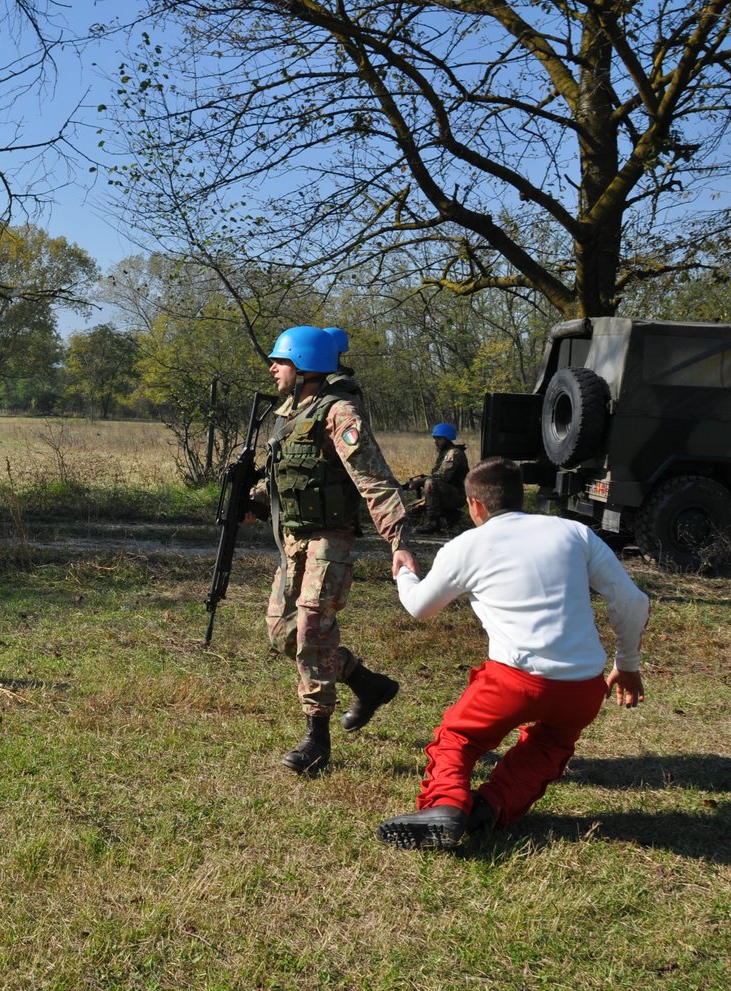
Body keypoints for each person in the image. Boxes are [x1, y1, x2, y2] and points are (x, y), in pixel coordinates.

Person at [378, 457, 650, 849]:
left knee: (458, 737)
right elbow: (632, 601)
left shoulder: (467, 545)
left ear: (475, 505)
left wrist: (405, 571)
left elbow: (420, 607)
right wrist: (627, 664)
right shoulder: (574, 532)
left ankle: (447, 805)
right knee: (547, 748)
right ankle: (487, 810)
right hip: (584, 687)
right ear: (518, 496)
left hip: (515, 680)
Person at [256, 325, 421, 775]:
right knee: (281, 633)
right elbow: (289, 475)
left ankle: (317, 741)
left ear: (305, 365)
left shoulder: (339, 412)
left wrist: (399, 541)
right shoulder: (290, 413)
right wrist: (254, 494)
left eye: (281, 361)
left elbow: (374, 478)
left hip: (331, 540)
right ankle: (367, 684)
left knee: (311, 630)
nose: (273, 369)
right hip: (294, 540)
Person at [403, 422, 470, 533]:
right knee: (408, 511)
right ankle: (450, 514)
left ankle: (432, 522)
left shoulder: (454, 453)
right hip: (447, 493)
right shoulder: (444, 453)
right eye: (435, 438)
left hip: (458, 495)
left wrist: (420, 481)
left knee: (430, 482)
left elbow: (443, 476)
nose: (436, 441)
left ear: (447, 439)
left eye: (439, 438)